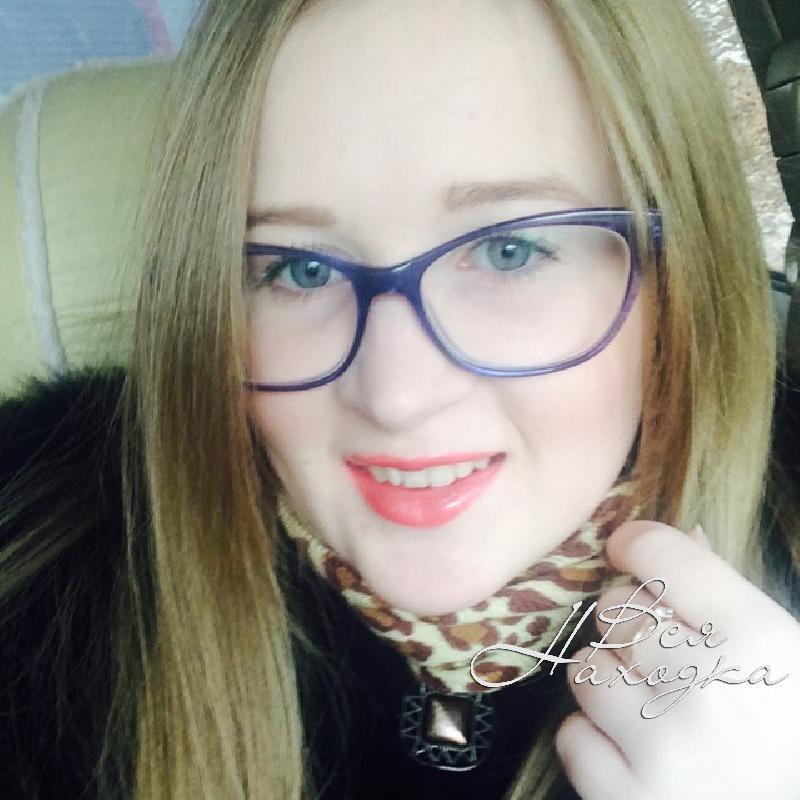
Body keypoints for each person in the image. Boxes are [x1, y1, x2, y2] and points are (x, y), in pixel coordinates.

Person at [1, 1, 799, 798]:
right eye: (301, 269)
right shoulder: (36, 559)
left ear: (677, 275)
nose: (396, 396)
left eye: (509, 249)